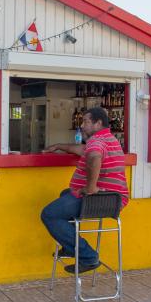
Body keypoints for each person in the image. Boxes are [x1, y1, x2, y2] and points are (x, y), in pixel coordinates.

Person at [41, 107, 128, 273]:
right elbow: (81, 150)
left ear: (98, 123)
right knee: (65, 194)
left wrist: (90, 187)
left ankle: (88, 257)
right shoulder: (109, 139)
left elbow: (94, 157)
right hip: (113, 200)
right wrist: (59, 146)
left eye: (86, 121)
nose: (82, 125)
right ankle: (70, 246)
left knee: (49, 214)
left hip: (99, 200)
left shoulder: (96, 142)